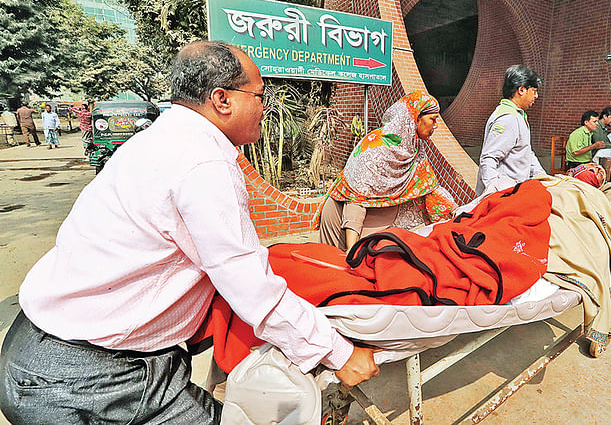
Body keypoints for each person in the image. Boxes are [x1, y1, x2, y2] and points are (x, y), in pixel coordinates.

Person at [0, 41, 379, 424]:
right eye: (260, 95)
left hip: (52, 349)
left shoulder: (161, 139)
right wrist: (338, 352)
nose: (265, 107)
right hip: (82, 376)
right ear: (222, 99)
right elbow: (252, 289)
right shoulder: (203, 164)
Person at [318, 91, 457, 251]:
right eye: (432, 119)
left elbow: (429, 189)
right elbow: (356, 198)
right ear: (415, 119)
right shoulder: (376, 149)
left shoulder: (414, 148)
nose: (436, 125)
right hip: (341, 220)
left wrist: (459, 212)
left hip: (373, 222)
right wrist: (352, 248)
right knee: (336, 266)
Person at [476, 64, 546, 195]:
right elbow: (489, 158)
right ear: (521, 90)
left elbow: (526, 152)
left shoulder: (518, 115)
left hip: (515, 191)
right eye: (534, 91)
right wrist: (494, 192)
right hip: (504, 193)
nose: (536, 96)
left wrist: (542, 176)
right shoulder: (508, 118)